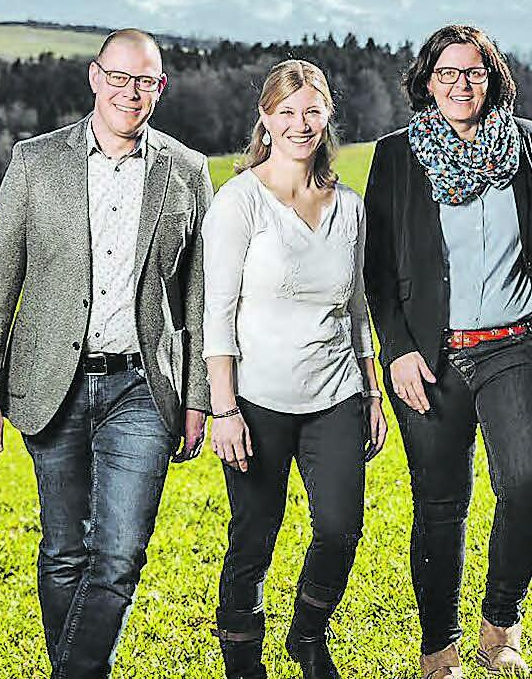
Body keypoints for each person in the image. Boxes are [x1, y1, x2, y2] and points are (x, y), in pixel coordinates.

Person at [0, 29, 213, 678]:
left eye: (146, 81)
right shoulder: (35, 161)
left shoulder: (187, 169)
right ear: (96, 78)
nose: (132, 93)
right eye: (120, 78)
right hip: (51, 383)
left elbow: (199, 295)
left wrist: (198, 400)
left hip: (144, 389)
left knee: (120, 555)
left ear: (160, 88)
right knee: (63, 552)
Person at [364, 24, 532, 679]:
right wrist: (396, 349)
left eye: (473, 72)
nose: (460, 84)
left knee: (527, 482)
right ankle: (439, 648)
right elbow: (376, 267)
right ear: (427, 82)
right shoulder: (397, 155)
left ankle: (500, 624)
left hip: (515, 345)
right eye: (446, 73)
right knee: (440, 502)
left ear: (492, 78)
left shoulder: (527, 142)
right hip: (429, 358)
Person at [203, 59, 388, 679]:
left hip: (336, 395)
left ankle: (307, 633)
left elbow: (357, 308)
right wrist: (224, 409)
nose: (300, 124)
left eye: (311, 111)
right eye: (286, 112)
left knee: (340, 529)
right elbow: (217, 312)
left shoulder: (350, 207)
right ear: (266, 118)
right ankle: (242, 662)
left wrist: (372, 392)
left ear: (328, 115)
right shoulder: (239, 201)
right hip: (256, 401)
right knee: (254, 536)